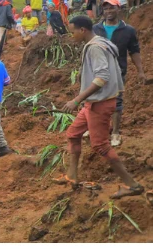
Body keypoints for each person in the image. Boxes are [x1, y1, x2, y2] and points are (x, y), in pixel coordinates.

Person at [57, 16, 145, 199]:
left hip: (100, 103)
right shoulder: (101, 42)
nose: (71, 35)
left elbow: (101, 77)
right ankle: (71, 176)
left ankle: (132, 185)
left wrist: (76, 100)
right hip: (94, 102)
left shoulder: (95, 48)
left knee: (101, 146)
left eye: (73, 31)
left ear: (83, 30)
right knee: (73, 134)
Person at [92, 0, 146, 147]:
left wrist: (140, 71)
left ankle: (115, 133)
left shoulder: (128, 30)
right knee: (96, 99)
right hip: (97, 70)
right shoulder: (96, 29)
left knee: (116, 101)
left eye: (112, 8)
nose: (108, 11)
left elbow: (134, 51)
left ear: (119, 9)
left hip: (118, 70)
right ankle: (97, 128)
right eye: (106, 9)